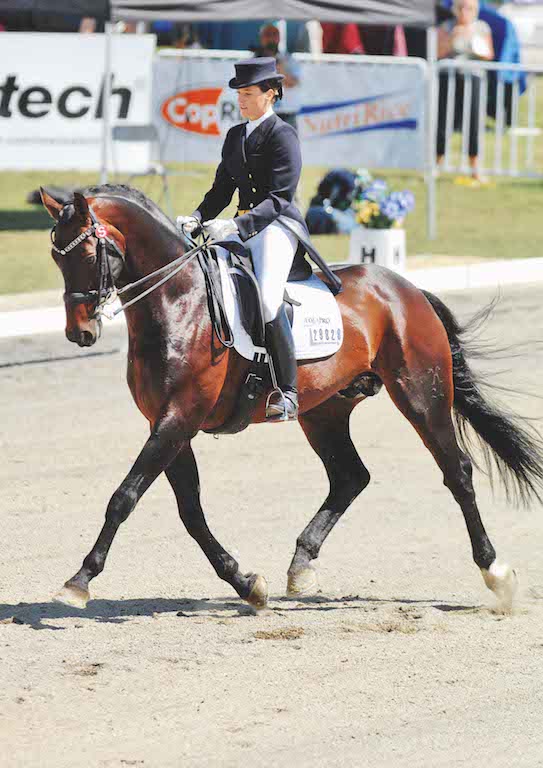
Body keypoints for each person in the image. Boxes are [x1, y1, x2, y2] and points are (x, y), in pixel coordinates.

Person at [177, 58, 341, 422]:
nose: (242, 100)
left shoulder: (283, 135)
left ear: (271, 94)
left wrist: (237, 226)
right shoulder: (236, 135)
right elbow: (222, 188)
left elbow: (281, 197)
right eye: (239, 94)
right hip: (240, 226)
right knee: (208, 283)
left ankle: (287, 391)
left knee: (267, 298)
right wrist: (199, 217)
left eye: (249, 94)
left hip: (277, 228)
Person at [437, 0, 494, 181]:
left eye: (469, 8)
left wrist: (476, 46)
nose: (464, 12)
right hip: (449, 78)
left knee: (473, 124)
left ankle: (474, 168)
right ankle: (436, 165)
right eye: (461, 7)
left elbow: (489, 55)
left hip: (473, 79)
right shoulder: (447, 27)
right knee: (443, 122)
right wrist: (453, 37)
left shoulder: (482, 28)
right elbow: (438, 52)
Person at [253, 22, 302, 131]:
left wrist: (278, 65)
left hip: (285, 114)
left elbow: (292, 83)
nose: (271, 39)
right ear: (261, 38)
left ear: (279, 38)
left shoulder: (288, 60)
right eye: (267, 35)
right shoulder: (253, 60)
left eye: (274, 35)